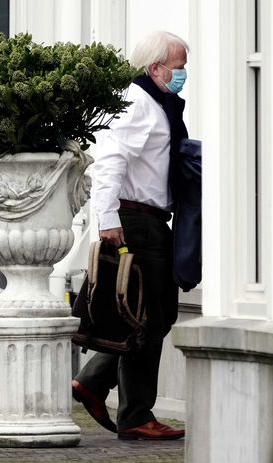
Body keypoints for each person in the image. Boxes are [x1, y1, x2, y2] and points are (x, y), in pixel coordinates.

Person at [71, 31, 189, 441]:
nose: (183, 74)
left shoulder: (156, 103)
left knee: (156, 314)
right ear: (156, 68)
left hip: (150, 220)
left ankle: (94, 380)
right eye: (178, 66)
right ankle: (137, 415)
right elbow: (109, 161)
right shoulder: (139, 103)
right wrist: (106, 218)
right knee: (149, 319)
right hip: (135, 220)